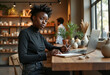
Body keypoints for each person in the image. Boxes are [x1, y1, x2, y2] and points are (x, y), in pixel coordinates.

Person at [18, 4, 69, 75]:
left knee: (66, 72)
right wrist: (46, 55)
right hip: (31, 71)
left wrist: (61, 48)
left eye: (46, 20)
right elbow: (22, 58)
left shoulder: (40, 36)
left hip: (41, 68)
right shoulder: (24, 33)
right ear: (34, 18)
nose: (44, 22)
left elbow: (50, 47)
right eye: (41, 19)